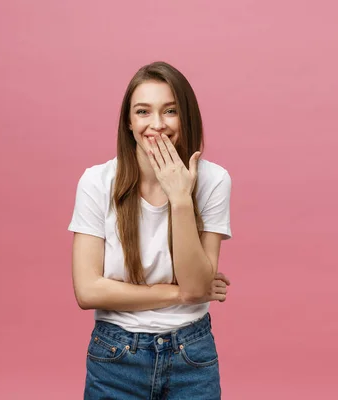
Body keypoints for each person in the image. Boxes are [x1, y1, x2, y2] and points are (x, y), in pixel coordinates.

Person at [68, 61, 233, 399]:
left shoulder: (215, 180)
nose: (156, 125)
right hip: (115, 356)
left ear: (186, 117)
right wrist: (182, 294)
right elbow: (88, 291)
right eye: (143, 112)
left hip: (192, 353)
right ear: (128, 123)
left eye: (170, 111)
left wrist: (181, 199)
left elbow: (198, 284)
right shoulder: (97, 182)